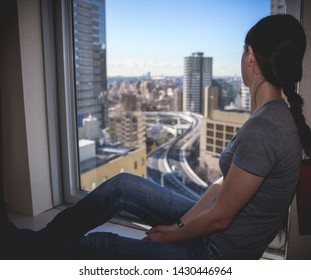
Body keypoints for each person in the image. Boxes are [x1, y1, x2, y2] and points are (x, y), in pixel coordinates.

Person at [1, 14, 311, 260]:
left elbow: (221, 218)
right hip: (219, 232)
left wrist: (175, 233)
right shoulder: (271, 116)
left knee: (100, 246)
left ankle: (27, 249)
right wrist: (184, 221)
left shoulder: (266, 127)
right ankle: (36, 246)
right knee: (123, 185)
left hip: (216, 253)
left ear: (251, 58)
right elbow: (223, 186)